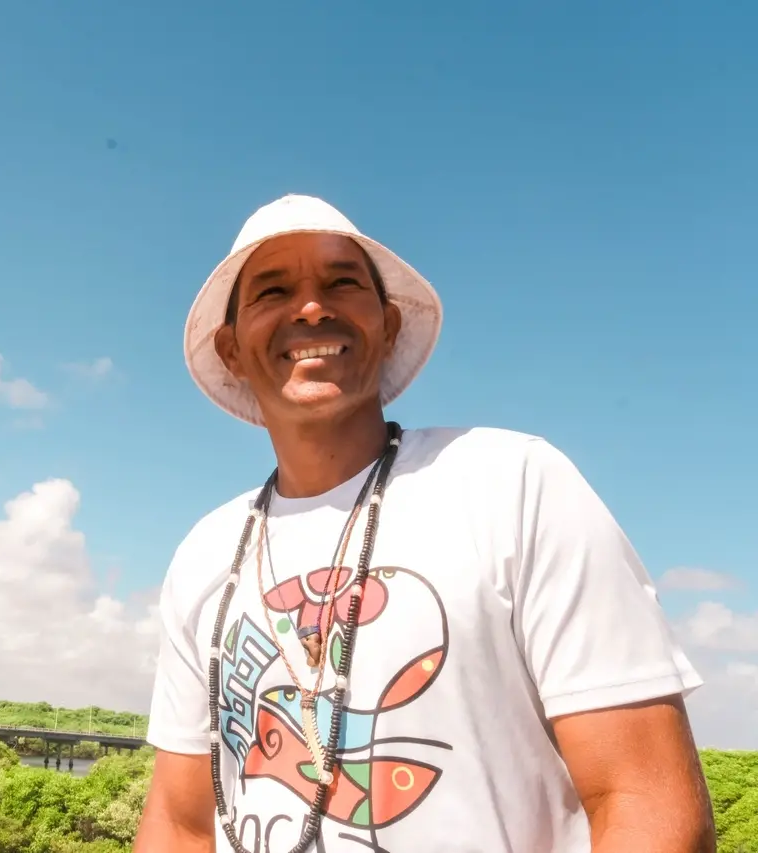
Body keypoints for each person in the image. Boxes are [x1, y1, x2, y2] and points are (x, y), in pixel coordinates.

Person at [134, 194, 715, 853]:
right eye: (272, 289)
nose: (311, 307)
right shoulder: (207, 553)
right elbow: (181, 824)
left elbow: (644, 801)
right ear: (231, 349)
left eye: (341, 281)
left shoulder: (513, 483)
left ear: (386, 325)